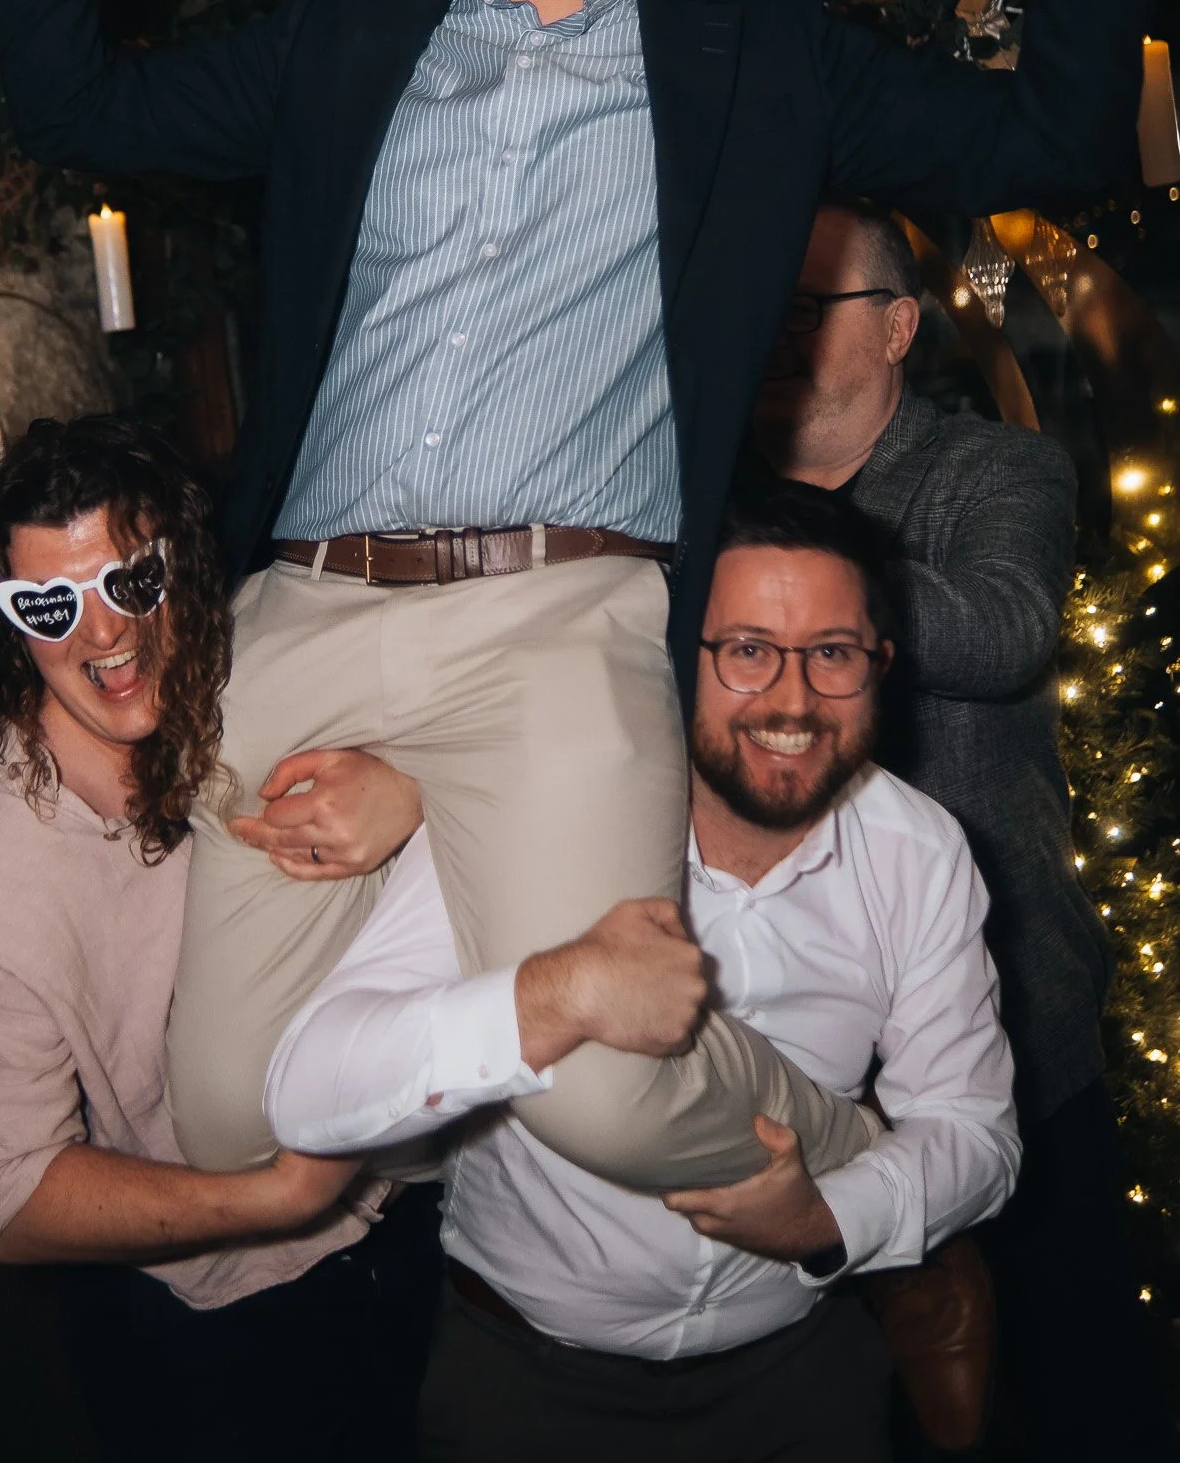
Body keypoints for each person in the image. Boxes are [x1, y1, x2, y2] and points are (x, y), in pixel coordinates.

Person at [0, 0, 1158, 1191]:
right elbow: (81, 111)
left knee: (610, 1111)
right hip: (304, 614)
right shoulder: (349, 22)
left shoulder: (757, 46)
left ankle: (896, 1178)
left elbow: (1056, 142)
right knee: (232, 1120)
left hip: (562, 622)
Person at [265, 487, 1020, 1463]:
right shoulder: (533, 813)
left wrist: (828, 1217)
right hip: (526, 1379)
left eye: (831, 653)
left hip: (799, 1370)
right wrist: (553, 994)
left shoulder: (920, 850)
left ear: (880, 665)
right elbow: (306, 1086)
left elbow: (974, 1130)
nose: (791, 700)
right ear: (673, 652)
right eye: (746, 649)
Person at [0, 416, 441, 1463]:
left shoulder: (258, 683)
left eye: (131, 580)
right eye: (50, 604)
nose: (102, 632)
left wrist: (412, 790)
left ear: (182, 563)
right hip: (226, 1340)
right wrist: (273, 1196)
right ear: (10, 626)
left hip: (418, 1220)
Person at [750, 201, 1177, 1462]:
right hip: (791, 1039)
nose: (779, 330)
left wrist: (784, 576)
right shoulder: (720, 487)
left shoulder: (996, 470)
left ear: (897, 327)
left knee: (1072, 1393)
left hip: (1008, 1019)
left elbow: (1001, 632)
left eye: (812, 305)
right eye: (768, 304)